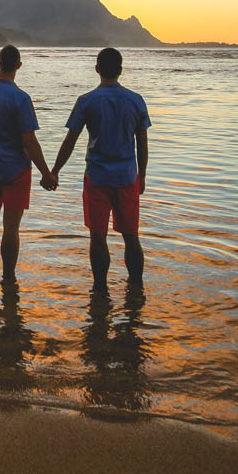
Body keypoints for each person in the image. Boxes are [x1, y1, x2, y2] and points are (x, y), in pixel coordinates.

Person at [51, 47, 150, 293]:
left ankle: (100, 289)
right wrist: (143, 176)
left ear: (97, 69)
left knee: (98, 236)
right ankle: (136, 289)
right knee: (131, 236)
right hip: (127, 177)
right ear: (120, 70)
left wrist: (54, 171)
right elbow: (142, 144)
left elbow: (70, 141)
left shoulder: (86, 101)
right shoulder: (136, 100)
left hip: (97, 177)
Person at [0, 44, 55, 286]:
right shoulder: (21, 98)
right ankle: (8, 276)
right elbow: (28, 140)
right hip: (16, 171)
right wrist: (46, 173)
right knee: (11, 226)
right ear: (18, 65)